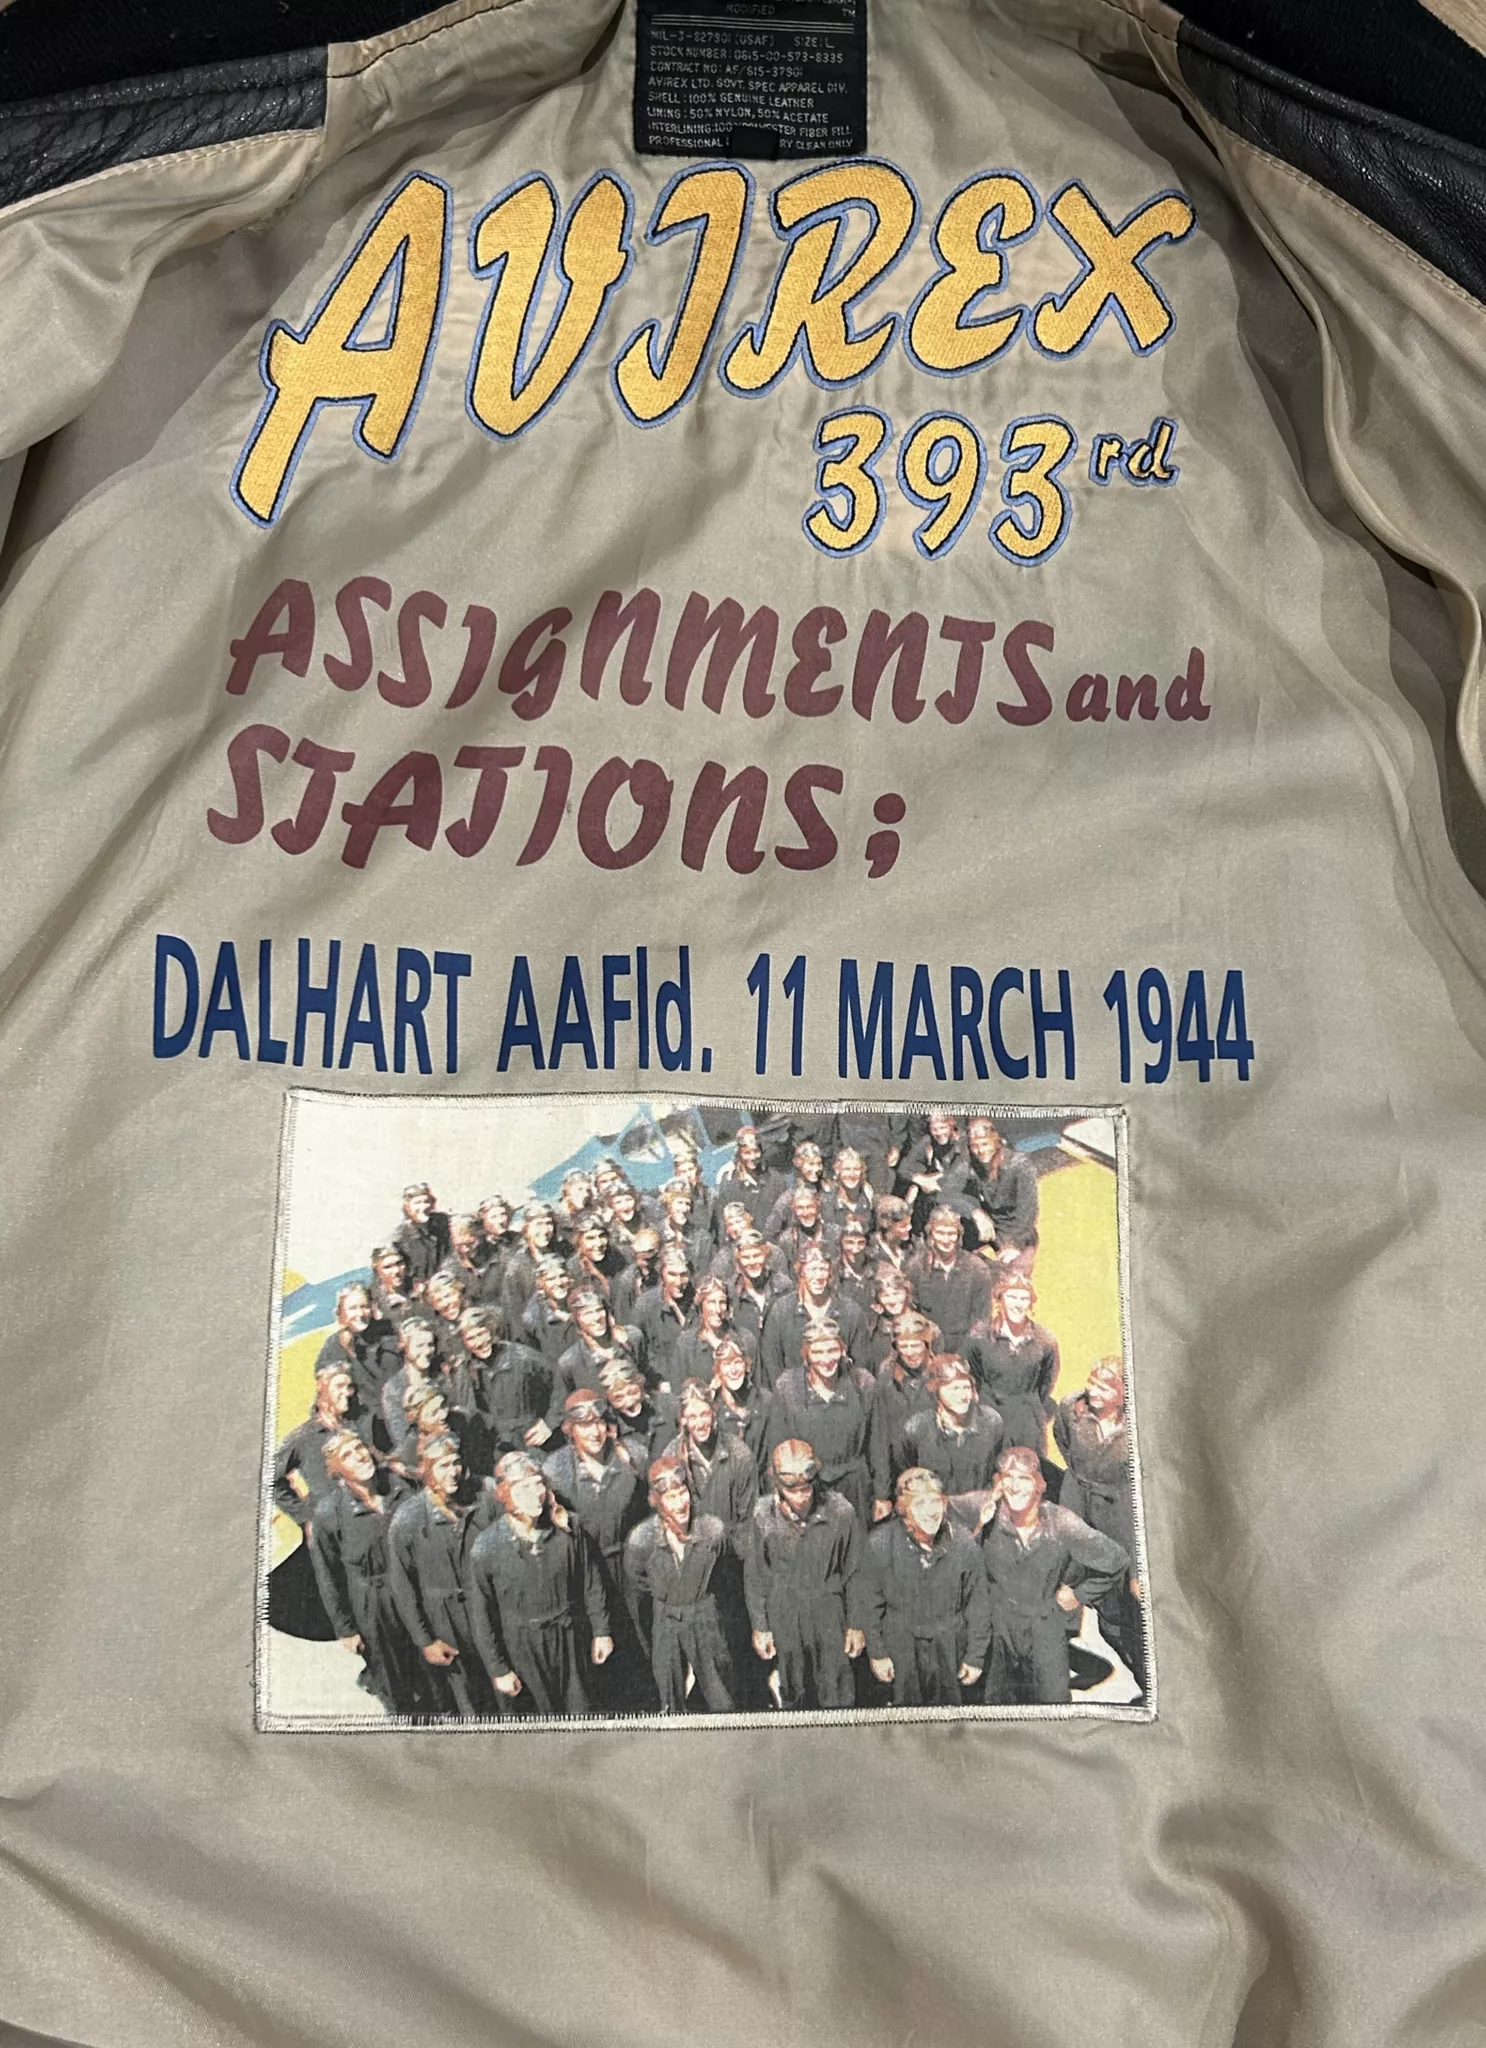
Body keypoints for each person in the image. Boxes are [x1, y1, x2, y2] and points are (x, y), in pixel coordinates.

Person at [978, 1447, 1129, 1706]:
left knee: (1052, 1706)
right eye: (1008, 1478)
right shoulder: (987, 1516)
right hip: (998, 1628)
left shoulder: (1060, 1522)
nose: (1015, 1486)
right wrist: (978, 1526)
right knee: (997, 1708)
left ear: (1039, 1485)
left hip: (1045, 1626)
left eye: (1024, 1478)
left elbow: (1116, 1560)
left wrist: (1080, 1594)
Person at [468, 1451, 612, 1715]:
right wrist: (498, 1668)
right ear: (505, 1494)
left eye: (538, 1485)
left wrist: (601, 1631)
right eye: (523, 1488)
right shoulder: (487, 1547)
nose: (535, 1495)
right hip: (521, 1648)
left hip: (569, 1639)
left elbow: (591, 1582)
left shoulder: (569, 1528)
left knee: (581, 1712)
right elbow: (481, 1615)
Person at [542, 1390, 652, 1710]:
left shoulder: (632, 1457)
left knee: (639, 1643)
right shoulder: (555, 1470)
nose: (594, 1432)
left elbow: (649, 1512)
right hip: (585, 1574)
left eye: (600, 1422)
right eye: (585, 1425)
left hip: (627, 1567)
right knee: (597, 1652)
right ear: (570, 1430)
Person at [742, 1439, 865, 1710]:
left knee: (836, 1689)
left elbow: (855, 1571)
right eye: (793, 1490)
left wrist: (855, 1624)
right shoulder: (763, 1515)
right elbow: (755, 1574)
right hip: (785, 1610)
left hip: (828, 1608)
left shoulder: (840, 1511)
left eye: (806, 1488)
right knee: (794, 1688)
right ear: (777, 1485)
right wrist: (761, 1626)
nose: (802, 1497)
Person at [387, 1434, 502, 1717]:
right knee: (468, 1699)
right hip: (445, 1621)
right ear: (425, 1470)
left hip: (488, 1609)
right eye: (443, 1465)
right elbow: (403, 1586)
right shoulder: (409, 1519)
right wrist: (425, 1640)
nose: (453, 1472)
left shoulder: (482, 1500)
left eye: (456, 1463)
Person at [310, 1430, 421, 1716]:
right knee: (394, 1683)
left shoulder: (400, 1488)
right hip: (374, 1606)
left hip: (416, 1593)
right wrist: (345, 1629)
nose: (359, 1456)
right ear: (336, 1470)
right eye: (347, 1455)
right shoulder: (329, 1514)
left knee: (433, 1674)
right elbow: (327, 1575)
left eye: (359, 1447)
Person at [864, 1468, 992, 1707]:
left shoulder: (963, 1543)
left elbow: (978, 1605)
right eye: (920, 1504)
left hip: (950, 1647)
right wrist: (878, 1653)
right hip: (902, 1649)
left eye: (935, 1502)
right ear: (903, 1509)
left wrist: (975, 1656)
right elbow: (870, 1606)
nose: (930, 1511)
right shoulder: (880, 1544)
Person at [1054, 1357, 1145, 1688]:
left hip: (1118, 1512)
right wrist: (1081, 1481)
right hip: (1077, 1503)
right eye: (1092, 1382)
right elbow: (1064, 1442)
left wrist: (1136, 1572)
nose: (1093, 1391)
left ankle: (1147, 1681)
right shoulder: (1072, 1409)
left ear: (1122, 1394)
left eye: (1105, 1387)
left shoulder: (1138, 1423)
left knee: (1122, 1614)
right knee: (1070, 1583)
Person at [623, 1454, 737, 1713]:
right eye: (670, 1497)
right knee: (670, 1695)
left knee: (721, 1695)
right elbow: (638, 1589)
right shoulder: (641, 1541)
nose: (680, 1503)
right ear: (656, 1501)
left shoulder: (712, 1531)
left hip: (705, 1617)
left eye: (682, 1492)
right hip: (666, 1619)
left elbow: (726, 1577)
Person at [765, 1324, 877, 1524]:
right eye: (817, 1352)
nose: (826, 1359)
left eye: (832, 1350)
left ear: (842, 1350)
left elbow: (878, 1441)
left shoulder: (862, 1383)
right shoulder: (788, 1387)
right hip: (808, 1486)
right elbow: (776, 1443)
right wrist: (779, 1491)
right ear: (806, 1354)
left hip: (854, 1486)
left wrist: (882, 1495)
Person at [965, 1270, 1061, 1459]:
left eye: (1024, 1298)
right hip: (989, 1414)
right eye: (1012, 1297)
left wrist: (1029, 1406)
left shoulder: (1045, 1340)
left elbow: (1046, 1382)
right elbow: (972, 1376)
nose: (1018, 1304)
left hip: (1028, 1420)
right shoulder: (979, 1337)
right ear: (1000, 1299)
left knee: (1029, 1468)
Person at [273, 1360, 375, 1532]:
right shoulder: (303, 1438)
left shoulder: (359, 1426)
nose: (347, 1392)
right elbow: (271, 1477)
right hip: (335, 1529)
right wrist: (305, 1517)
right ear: (323, 1389)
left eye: (349, 1387)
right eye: (340, 1386)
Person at [900, 1356, 1006, 1521]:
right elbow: (906, 1471)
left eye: (966, 1387)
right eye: (954, 1388)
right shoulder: (917, 1427)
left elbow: (999, 1470)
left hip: (979, 1513)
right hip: (934, 1515)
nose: (962, 1396)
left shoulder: (991, 1422)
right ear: (936, 1390)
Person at [759, 1244, 870, 1389]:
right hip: (793, 1395)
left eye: (823, 1269)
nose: (818, 1276)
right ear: (801, 1272)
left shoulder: (850, 1311)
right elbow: (772, 1362)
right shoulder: (781, 1310)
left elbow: (860, 1366)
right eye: (812, 1269)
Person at [663, 1381, 758, 1542]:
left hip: (731, 1547)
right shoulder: (672, 1455)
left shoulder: (739, 1455)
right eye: (692, 1417)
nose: (700, 1424)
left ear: (714, 1413)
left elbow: (748, 1520)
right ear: (683, 1420)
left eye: (704, 1414)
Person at [868, 1309, 939, 1517]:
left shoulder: (940, 1373)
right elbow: (879, 1435)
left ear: (927, 1344)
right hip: (898, 1473)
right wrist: (881, 1492)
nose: (910, 1352)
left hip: (933, 1470)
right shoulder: (886, 1376)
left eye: (916, 1345)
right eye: (904, 1346)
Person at [547, 1288, 649, 1431]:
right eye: (587, 1313)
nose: (596, 1318)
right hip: (605, 1430)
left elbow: (647, 1373)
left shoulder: (632, 1338)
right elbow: (561, 1407)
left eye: (599, 1310)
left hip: (642, 1421)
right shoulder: (570, 1362)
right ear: (577, 1320)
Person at [906, 1204, 994, 1356]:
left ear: (959, 1235)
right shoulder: (916, 1267)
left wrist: (964, 1354)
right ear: (930, 1233)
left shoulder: (977, 1269)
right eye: (940, 1233)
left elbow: (982, 1318)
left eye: (951, 1233)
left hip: (965, 1349)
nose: (946, 1240)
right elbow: (911, 1311)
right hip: (928, 1349)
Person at [315, 1283, 399, 1414]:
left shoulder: (389, 1333)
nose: (360, 1313)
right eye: (352, 1308)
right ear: (340, 1313)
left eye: (364, 1307)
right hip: (360, 1414)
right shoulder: (334, 1346)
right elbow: (325, 1391)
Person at [675, 1274, 757, 1385]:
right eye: (711, 1302)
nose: (717, 1309)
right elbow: (679, 1387)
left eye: (722, 1302)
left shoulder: (745, 1339)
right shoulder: (686, 1344)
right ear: (701, 1305)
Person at [600, 1360, 676, 1477]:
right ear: (608, 1398)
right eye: (619, 1398)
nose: (628, 1401)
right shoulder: (606, 1425)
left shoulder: (667, 1404)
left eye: (632, 1392)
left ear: (640, 1384)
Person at [710, 1336, 773, 1477]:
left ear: (746, 1366)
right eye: (726, 1364)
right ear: (718, 1369)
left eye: (737, 1362)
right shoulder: (712, 1407)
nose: (733, 1370)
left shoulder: (765, 1401)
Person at [634, 1245, 695, 1386]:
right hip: (662, 1381)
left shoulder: (699, 1300)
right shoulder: (646, 1305)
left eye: (684, 1275)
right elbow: (638, 1350)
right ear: (662, 1274)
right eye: (672, 1274)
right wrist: (656, 1382)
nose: (679, 1282)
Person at [725, 1228, 791, 1350]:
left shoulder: (783, 1286)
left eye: (756, 1255)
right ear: (738, 1259)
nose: (752, 1262)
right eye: (746, 1257)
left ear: (766, 1254)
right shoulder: (730, 1290)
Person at [500, 1203, 558, 1329]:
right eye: (538, 1224)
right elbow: (513, 1314)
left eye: (548, 1223)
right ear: (526, 1228)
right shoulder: (516, 1266)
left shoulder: (560, 1255)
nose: (545, 1230)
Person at [713, 1123, 779, 1234]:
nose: (752, 1157)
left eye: (756, 1151)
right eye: (747, 1153)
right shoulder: (729, 1182)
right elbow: (724, 1221)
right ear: (739, 1154)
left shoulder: (775, 1179)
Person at [391, 1181, 451, 1291]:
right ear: (407, 1207)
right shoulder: (400, 1238)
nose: (423, 1207)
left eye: (426, 1202)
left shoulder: (444, 1223)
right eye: (417, 1203)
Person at [439, 1211, 504, 1309]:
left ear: (483, 1234)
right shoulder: (450, 1267)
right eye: (459, 1245)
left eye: (470, 1243)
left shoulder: (503, 1258)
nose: (465, 1250)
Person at [521, 1254, 574, 1365]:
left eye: (562, 1276)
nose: (559, 1283)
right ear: (540, 1284)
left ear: (570, 1277)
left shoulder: (583, 1299)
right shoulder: (533, 1318)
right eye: (551, 1279)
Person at [771, 1183, 838, 1267]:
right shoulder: (787, 1239)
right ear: (794, 1210)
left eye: (810, 1207)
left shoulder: (834, 1233)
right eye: (800, 1208)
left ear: (818, 1206)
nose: (805, 1213)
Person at [566, 1214, 629, 1301]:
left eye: (602, 1236)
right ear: (577, 1241)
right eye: (590, 1238)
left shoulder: (621, 1257)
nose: (599, 1243)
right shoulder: (572, 1268)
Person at [610, 1223, 661, 1323]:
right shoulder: (625, 1281)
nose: (645, 1265)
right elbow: (622, 1316)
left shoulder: (667, 1273)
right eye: (640, 1258)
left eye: (650, 1259)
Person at [822, 1146, 875, 1236]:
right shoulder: (829, 1193)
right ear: (837, 1170)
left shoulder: (866, 1191)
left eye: (856, 1169)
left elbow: (869, 1221)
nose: (852, 1174)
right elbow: (827, 1224)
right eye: (847, 1169)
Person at [368, 1245, 419, 1327]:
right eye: (387, 1267)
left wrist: (408, 1305)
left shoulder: (419, 1288)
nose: (396, 1271)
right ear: (377, 1272)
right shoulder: (372, 1299)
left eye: (399, 1263)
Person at [869, 1195, 915, 1276]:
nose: (909, 1227)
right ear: (886, 1225)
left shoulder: (910, 1247)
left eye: (909, 1223)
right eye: (902, 1226)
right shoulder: (871, 1251)